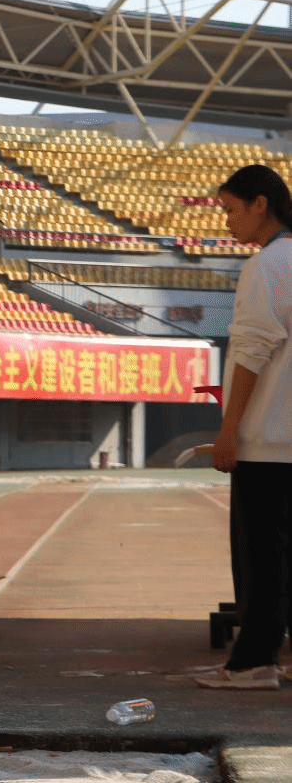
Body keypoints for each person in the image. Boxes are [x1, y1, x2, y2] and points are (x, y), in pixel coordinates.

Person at [196, 164, 292, 691]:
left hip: (268, 441)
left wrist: (230, 430)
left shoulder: (267, 266)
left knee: (261, 558)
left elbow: (253, 350)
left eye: (232, 210)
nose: (228, 222)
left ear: (261, 204)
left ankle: (254, 662)